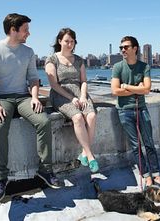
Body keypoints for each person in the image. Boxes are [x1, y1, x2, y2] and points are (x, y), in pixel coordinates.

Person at [0, 13, 60, 203]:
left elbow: (33, 78)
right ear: (13, 30)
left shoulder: (28, 52)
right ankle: (0, 179)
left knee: (43, 121)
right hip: (0, 98)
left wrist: (34, 97)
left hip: (23, 97)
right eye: (25, 30)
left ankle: (45, 170)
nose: (29, 33)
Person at [111, 36, 160, 187]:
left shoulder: (144, 66)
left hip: (141, 109)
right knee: (136, 146)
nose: (122, 50)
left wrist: (126, 86)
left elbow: (146, 89)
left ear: (135, 48)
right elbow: (115, 91)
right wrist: (136, 89)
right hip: (124, 111)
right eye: (121, 47)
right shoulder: (117, 67)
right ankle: (146, 175)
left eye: (126, 47)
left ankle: (156, 173)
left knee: (149, 143)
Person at [44, 28, 99, 173]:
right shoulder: (52, 60)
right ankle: (91, 156)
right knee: (78, 117)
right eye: (67, 41)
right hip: (60, 94)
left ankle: (83, 153)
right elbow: (54, 84)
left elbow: (84, 81)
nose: (70, 44)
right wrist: (72, 98)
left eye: (72, 41)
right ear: (60, 41)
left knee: (92, 116)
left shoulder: (79, 60)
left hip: (79, 91)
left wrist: (82, 96)